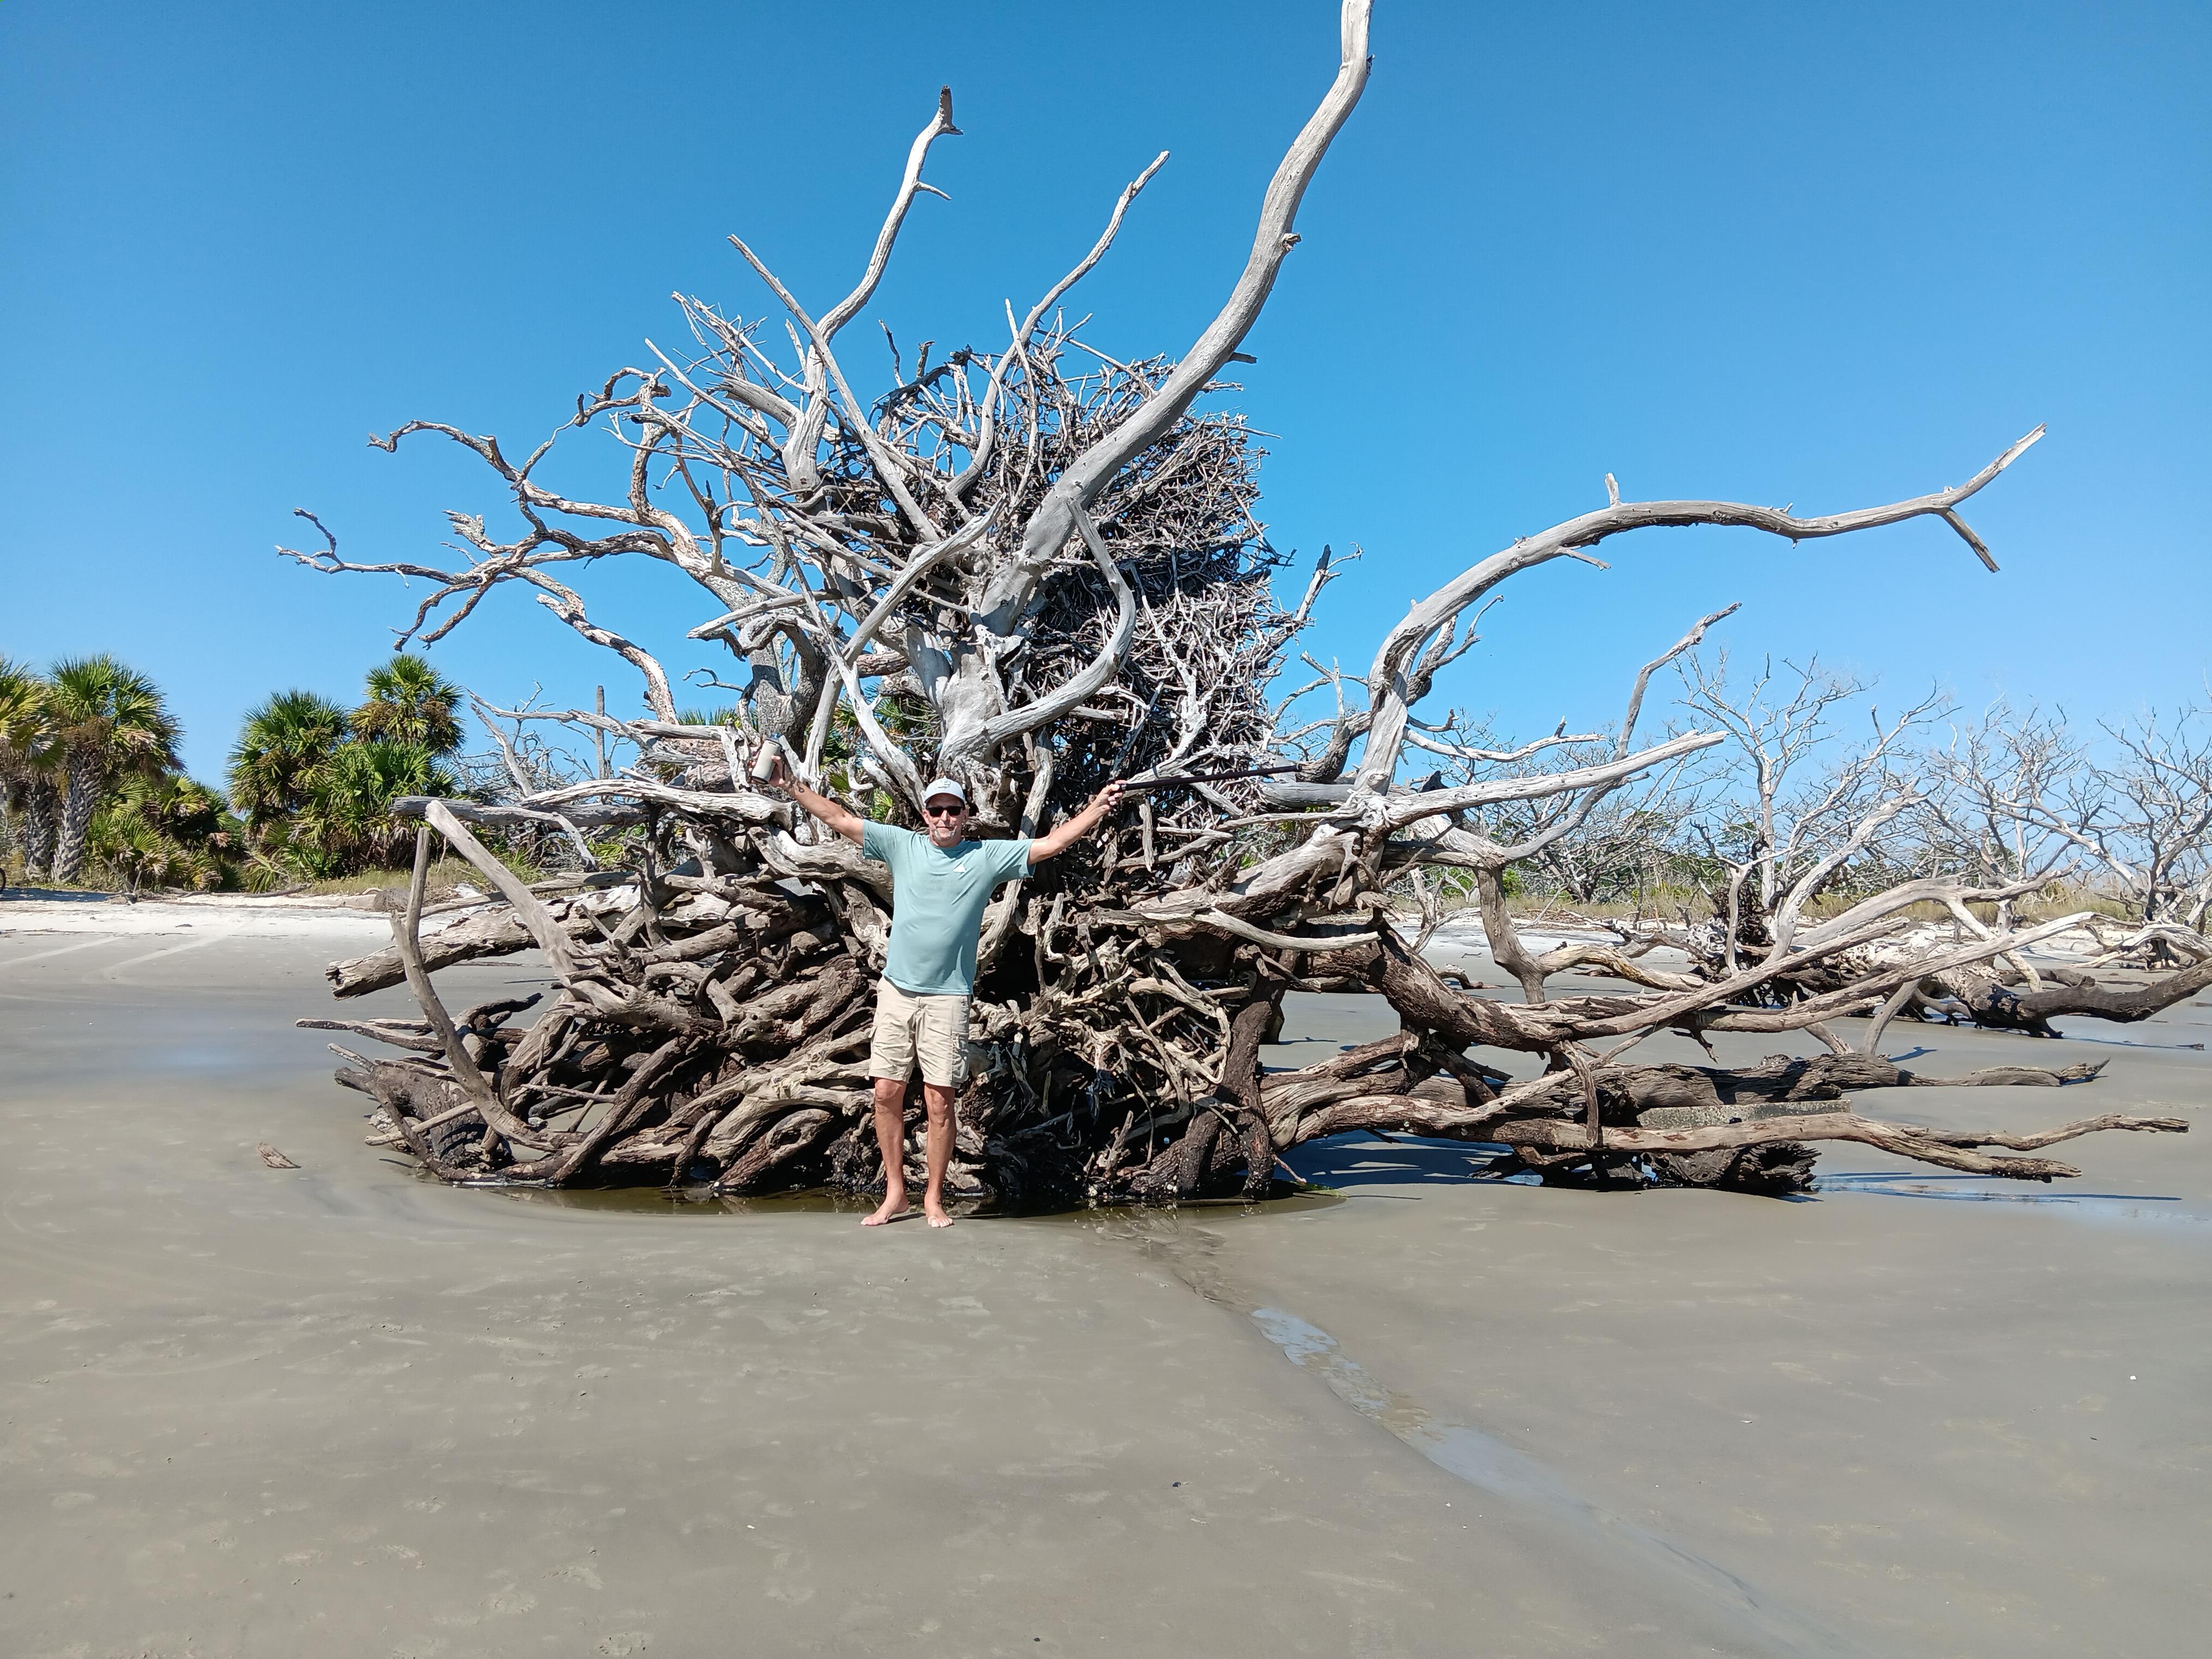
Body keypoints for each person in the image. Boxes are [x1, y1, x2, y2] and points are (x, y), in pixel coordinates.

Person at [763, 755, 1123, 1227]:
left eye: (954, 810)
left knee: (939, 1101)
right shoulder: (902, 845)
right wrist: (790, 785)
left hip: (948, 997)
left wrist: (1098, 807)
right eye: (937, 811)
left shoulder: (985, 856)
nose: (946, 818)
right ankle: (895, 1193)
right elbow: (839, 818)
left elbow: (1051, 843)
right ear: (925, 816)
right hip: (896, 992)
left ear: (966, 814)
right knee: (886, 1092)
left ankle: (933, 1196)